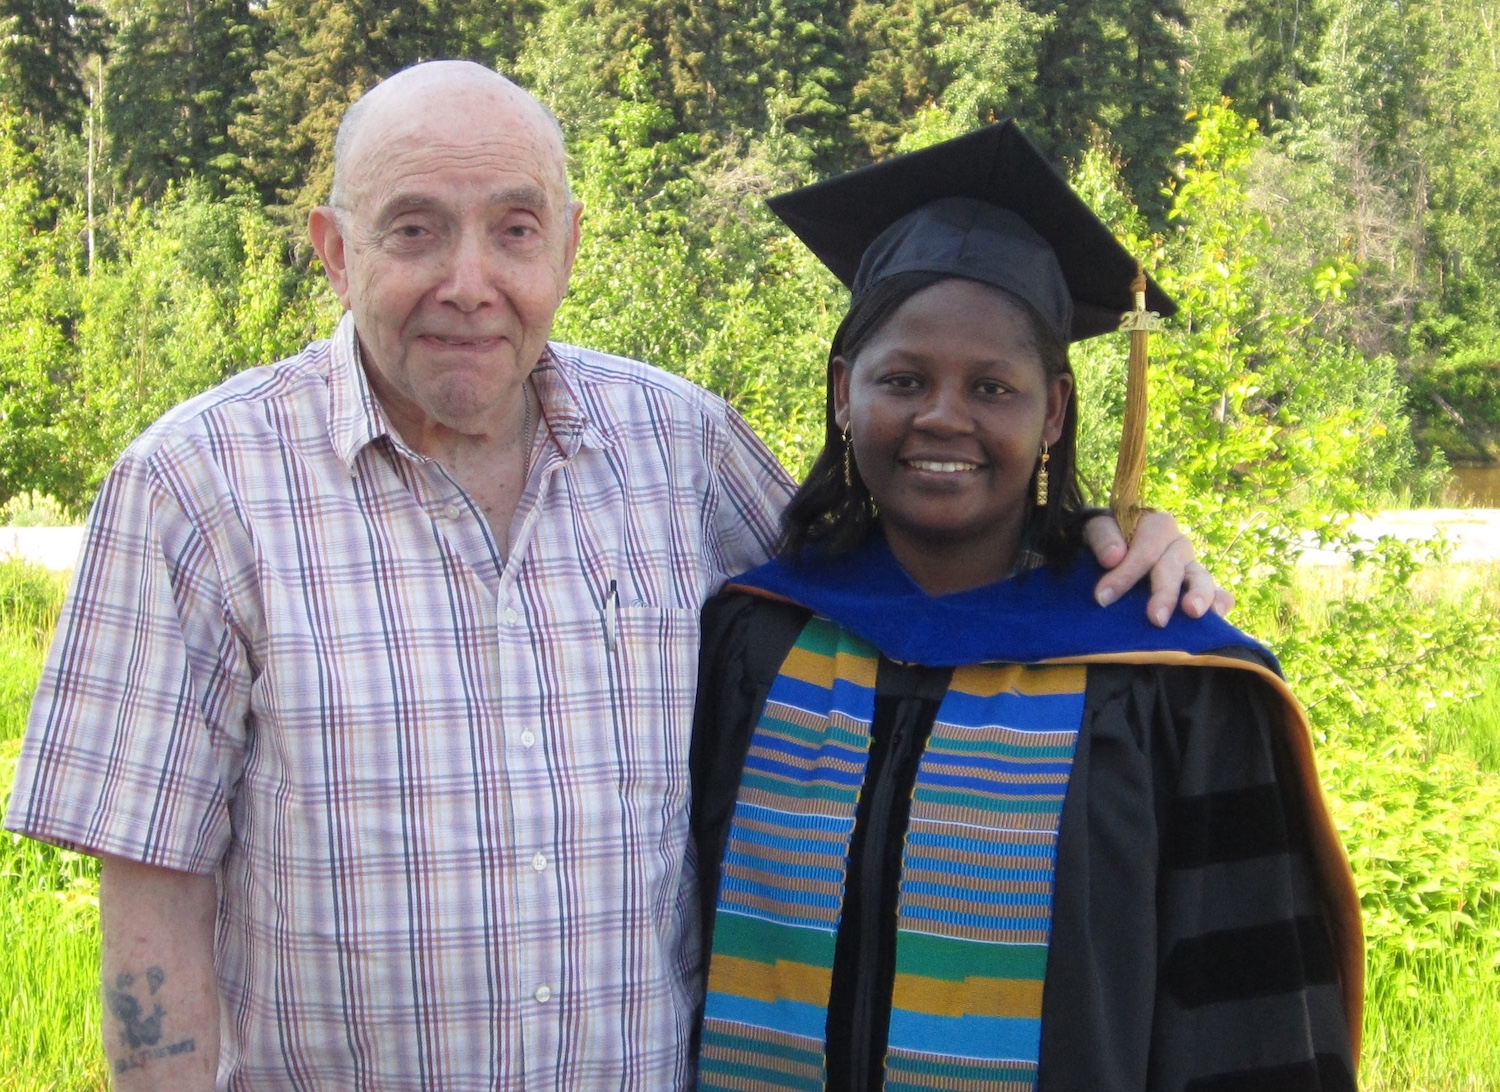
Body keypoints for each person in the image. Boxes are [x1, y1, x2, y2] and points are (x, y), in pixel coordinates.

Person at [6, 64, 1226, 1089]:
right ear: (334, 250)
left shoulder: (676, 447)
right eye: (415, 227)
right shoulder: (195, 488)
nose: (470, 281)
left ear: (571, 245)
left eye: (516, 228)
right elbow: (151, 909)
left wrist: (1099, 544)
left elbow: (901, 581)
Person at [690, 122, 1363, 1091]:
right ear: (844, 393)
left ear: (1052, 411)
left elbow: (1244, 1017)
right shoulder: (758, 636)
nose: (943, 416)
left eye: (992, 387)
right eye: (904, 379)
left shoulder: (1170, 681)